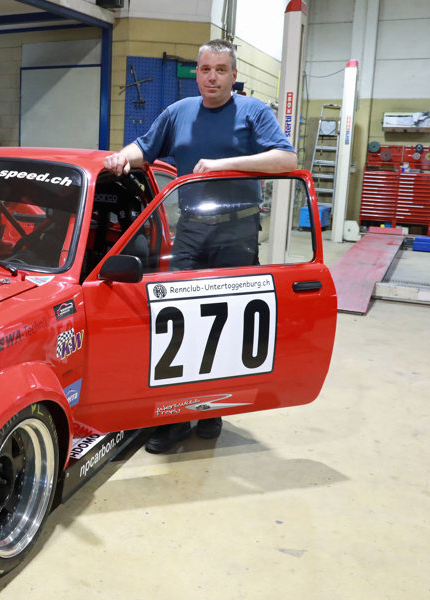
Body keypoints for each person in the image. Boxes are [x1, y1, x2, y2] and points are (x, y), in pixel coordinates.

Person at [104, 38, 297, 454]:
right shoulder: (178, 112)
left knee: (225, 322)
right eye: (205, 70)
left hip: (237, 231)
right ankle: (174, 418)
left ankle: (212, 410)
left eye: (220, 70)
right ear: (198, 71)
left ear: (233, 74)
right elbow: (145, 146)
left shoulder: (253, 112)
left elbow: (286, 160)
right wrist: (123, 156)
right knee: (179, 320)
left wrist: (223, 165)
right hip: (191, 229)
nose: (211, 78)